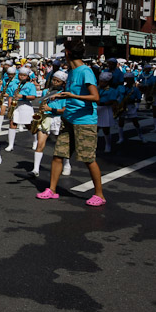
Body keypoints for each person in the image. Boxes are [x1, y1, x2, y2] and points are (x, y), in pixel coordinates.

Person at [36, 40, 105, 206]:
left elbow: (95, 97)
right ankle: (52, 190)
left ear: (68, 53)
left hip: (84, 121)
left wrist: (72, 96)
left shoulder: (85, 71)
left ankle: (100, 195)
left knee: (88, 158)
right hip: (68, 118)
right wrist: (61, 95)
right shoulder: (72, 72)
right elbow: (71, 93)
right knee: (58, 155)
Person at [30, 71, 69, 177]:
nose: (55, 82)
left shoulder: (64, 94)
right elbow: (42, 105)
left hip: (58, 119)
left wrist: (51, 108)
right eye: (54, 80)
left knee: (61, 145)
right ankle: (36, 169)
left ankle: (66, 164)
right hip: (45, 118)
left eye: (58, 81)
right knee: (40, 144)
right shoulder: (46, 92)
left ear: (63, 83)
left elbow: (64, 110)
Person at [5, 67, 37, 152]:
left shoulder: (30, 85)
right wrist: (10, 106)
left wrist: (22, 96)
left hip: (25, 105)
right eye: (20, 75)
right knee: (12, 123)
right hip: (15, 105)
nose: (22, 77)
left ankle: (35, 141)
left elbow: (33, 96)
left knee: (29, 125)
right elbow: (10, 95)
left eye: (24, 75)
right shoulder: (15, 84)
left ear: (27, 76)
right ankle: (10, 144)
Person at [116, 72, 144, 144]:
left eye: (130, 80)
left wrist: (133, 100)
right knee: (121, 122)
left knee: (135, 122)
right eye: (127, 80)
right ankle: (121, 138)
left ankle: (141, 136)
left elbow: (139, 99)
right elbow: (116, 96)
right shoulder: (120, 88)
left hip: (131, 106)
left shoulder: (135, 89)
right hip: (122, 106)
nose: (129, 81)